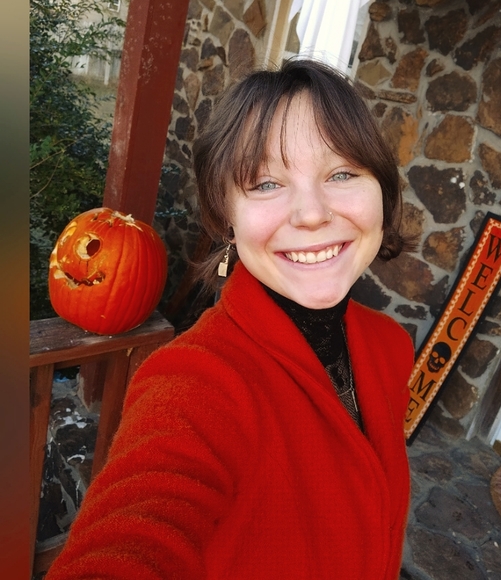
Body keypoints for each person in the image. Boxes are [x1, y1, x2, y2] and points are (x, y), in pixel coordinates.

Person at [47, 58, 416, 580]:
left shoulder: (391, 346)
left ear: (382, 190)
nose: (312, 214)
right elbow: (132, 534)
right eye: (265, 183)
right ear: (226, 218)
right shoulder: (195, 383)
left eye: (342, 173)